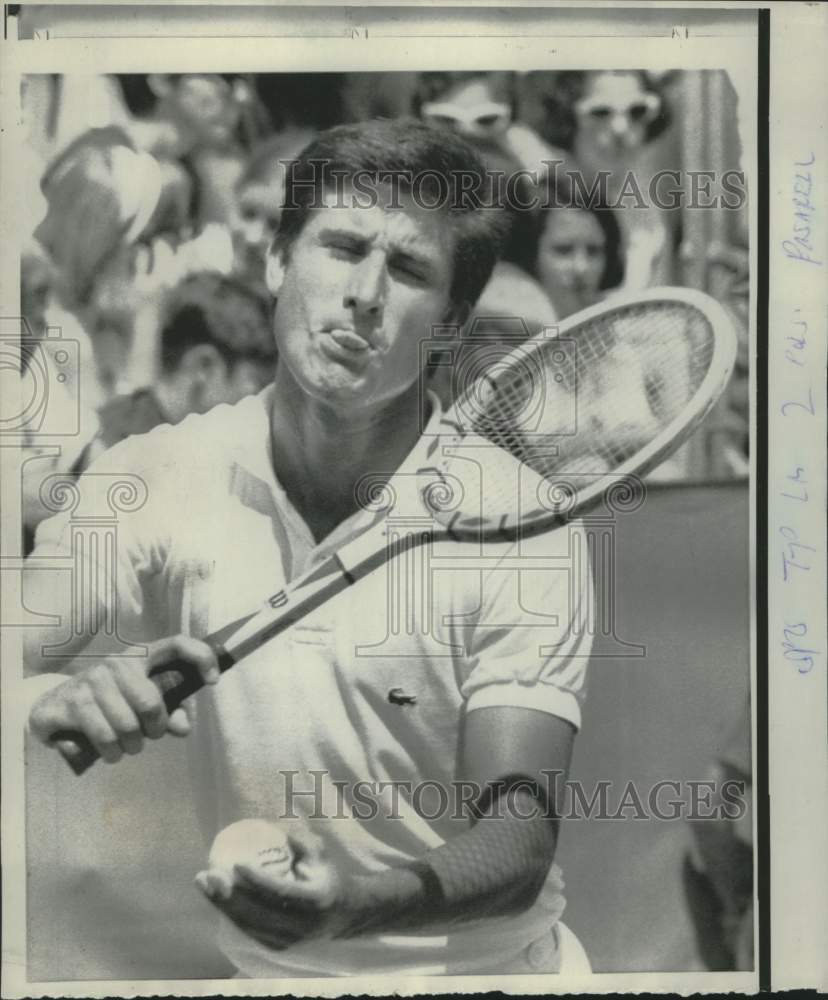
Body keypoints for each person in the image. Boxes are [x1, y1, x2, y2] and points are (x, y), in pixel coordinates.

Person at [25, 119, 593, 978]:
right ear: (276, 261)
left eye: (408, 270)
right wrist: (51, 702)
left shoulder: (523, 517)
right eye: (342, 245)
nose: (365, 292)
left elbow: (518, 836)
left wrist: (361, 907)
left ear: (449, 324)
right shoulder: (150, 476)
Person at [71, 272, 277, 474]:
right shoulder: (120, 457)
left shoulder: (179, 444)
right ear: (203, 367)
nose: (263, 410)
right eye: (257, 386)